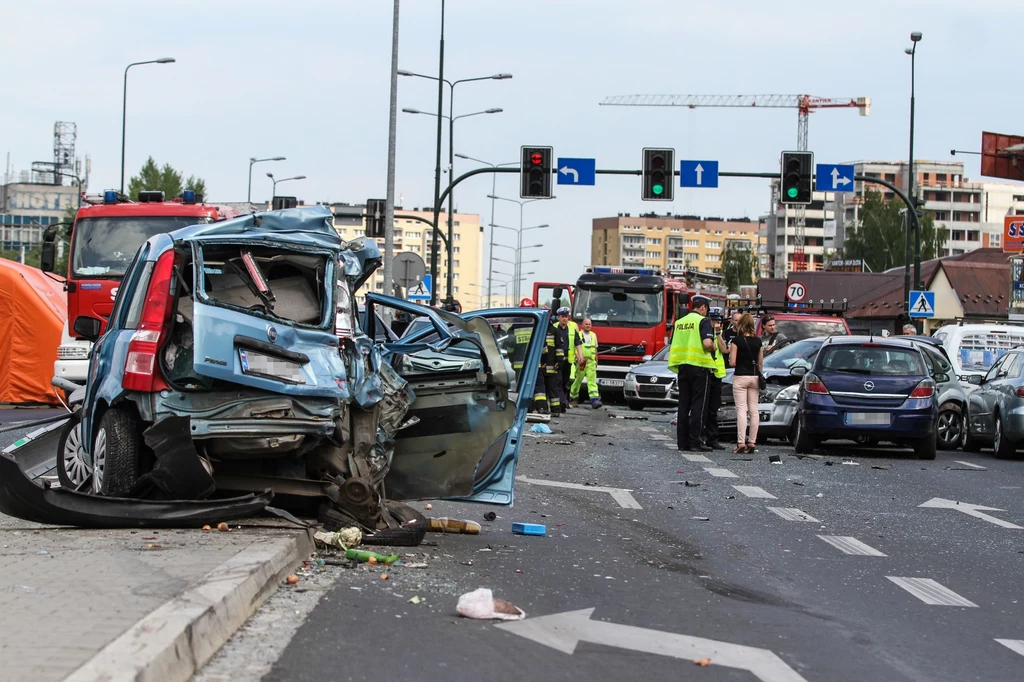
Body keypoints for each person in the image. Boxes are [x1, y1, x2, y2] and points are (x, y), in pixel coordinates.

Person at [668, 295, 717, 452]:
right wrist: (714, 347)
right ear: (703, 307)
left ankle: (682, 443)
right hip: (699, 367)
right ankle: (695, 442)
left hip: (682, 367)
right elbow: (707, 343)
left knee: (683, 405)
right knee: (698, 406)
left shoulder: (680, 322)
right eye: (706, 309)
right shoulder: (703, 322)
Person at [729, 312, 763, 454]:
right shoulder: (758, 341)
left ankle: (741, 442)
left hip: (740, 377)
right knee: (753, 410)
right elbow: (761, 363)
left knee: (742, 410)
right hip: (754, 377)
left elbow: (732, 362)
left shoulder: (737, 340)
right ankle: (752, 441)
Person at [702, 309, 728, 450]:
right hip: (706, 373)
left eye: (718, 321)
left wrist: (718, 334)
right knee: (702, 408)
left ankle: (712, 439)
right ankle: (701, 436)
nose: (716, 323)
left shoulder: (719, 334)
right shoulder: (703, 332)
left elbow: (724, 350)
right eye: (713, 320)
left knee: (713, 409)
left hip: (716, 375)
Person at [569, 317, 602, 409]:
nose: (588, 326)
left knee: (592, 381)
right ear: (582, 325)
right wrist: (579, 357)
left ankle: (595, 400)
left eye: (589, 324)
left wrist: (596, 361)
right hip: (581, 362)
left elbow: (595, 349)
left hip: (590, 362)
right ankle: (573, 399)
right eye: (586, 324)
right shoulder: (578, 334)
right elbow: (574, 348)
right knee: (577, 381)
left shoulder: (593, 335)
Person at [552, 307, 580, 412]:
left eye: (566, 317)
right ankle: (562, 401)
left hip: (568, 360)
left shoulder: (572, 329)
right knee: (558, 381)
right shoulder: (554, 328)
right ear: (558, 317)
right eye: (562, 317)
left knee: (566, 381)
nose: (565, 319)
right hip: (557, 360)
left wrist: (579, 355)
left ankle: (564, 399)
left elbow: (577, 342)